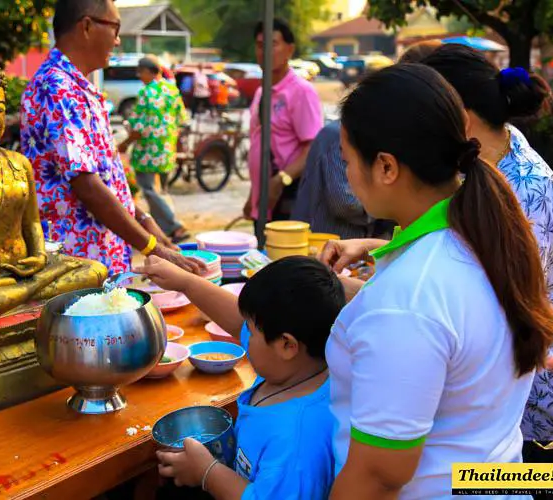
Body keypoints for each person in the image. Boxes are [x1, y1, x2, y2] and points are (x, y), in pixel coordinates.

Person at [320, 64, 553, 499]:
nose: (348, 173)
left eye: (347, 159)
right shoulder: (489, 234)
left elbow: (377, 476)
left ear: (387, 167)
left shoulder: (410, 298)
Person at [414, 45, 553, 485]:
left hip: (543, 408)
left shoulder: (525, 193)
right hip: (519, 383)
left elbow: (489, 306)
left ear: (462, 117)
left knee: (486, 482)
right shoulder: (492, 157)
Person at [21, 0, 202, 276]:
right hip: (77, 264)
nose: (118, 41)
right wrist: (152, 246)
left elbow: (108, 176)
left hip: (103, 256)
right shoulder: (56, 87)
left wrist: (144, 218)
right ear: (87, 26)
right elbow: (87, 186)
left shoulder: (80, 87)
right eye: (116, 29)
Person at [139, 255, 342, 500]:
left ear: (287, 345)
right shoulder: (296, 369)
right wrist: (186, 283)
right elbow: (236, 321)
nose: (243, 332)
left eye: (252, 329)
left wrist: (207, 473)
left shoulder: (297, 441)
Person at [244, 18, 323, 232]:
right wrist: (253, 195)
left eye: (272, 44)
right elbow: (260, 144)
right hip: (265, 199)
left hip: (289, 197)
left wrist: (281, 179)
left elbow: (313, 148)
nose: (265, 51)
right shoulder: (261, 93)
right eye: (260, 45)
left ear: (289, 49)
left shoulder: (301, 92)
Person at [119, 56, 190, 243]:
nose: (138, 75)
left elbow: (138, 128)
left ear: (149, 71)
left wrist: (124, 144)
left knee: (150, 190)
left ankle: (175, 226)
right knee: (161, 192)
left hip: (148, 152)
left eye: (140, 71)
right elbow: (181, 118)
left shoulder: (146, 93)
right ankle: (164, 229)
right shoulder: (172, 90)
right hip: (166, 150)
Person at [291, 120, 395, 240]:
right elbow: (346, 203)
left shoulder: (366, 134)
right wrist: (389, 206)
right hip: (322, 243)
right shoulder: (339, 136)